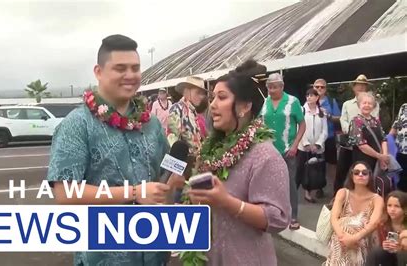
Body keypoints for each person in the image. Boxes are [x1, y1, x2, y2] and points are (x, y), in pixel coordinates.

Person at [47, 34, 173, 266]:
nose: (130, 75)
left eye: (135, 68)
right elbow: (64, 193)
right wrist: (134, 193)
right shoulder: (77, 124)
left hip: (155, 252)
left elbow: (167, 172)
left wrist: (176, 184)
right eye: (120, 68)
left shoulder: (151, 123)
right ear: (98, 71)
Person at [188, 59, 290, 266]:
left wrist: (226, 201)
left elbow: (277, 219)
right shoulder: (211, 150)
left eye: (222, 97)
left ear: (244, 106)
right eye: (212, 97)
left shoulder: (264, 155)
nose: (213, 105)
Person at [259, 73, 306, 230]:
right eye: (269, 87)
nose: (271, 90)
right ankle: (276, 213)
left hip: (287, 151)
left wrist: (295, 145)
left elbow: (302, 125)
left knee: (290, 183)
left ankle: (293, 216)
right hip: (269, 151)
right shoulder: (265, 103)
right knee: (271, 183)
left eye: (274, 87)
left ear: (282, 86)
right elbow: (259, 124)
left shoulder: (293, 102)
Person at [325, 161, 384, 265]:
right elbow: (333, 218)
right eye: (356, 172)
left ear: (370, 176)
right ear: (351, 175)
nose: (360, 175)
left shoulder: (377, 199)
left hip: (361, 242)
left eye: (364, 173)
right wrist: (343, 239)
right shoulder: (343, 193)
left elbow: (374, 223)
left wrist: (353, 239)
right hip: (340, 241)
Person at [335, 74, 380, 194]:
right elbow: (343, 120)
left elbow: (375, 121)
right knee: (342, 172)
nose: (360, 87)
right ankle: (337, 198)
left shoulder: (373, 104)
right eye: (358, 85)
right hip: (349, 144)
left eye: (363, 85)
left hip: (366, 145)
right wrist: (352, 132)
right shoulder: (347, 104)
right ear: (353, 87)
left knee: (362, 173)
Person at [167, 76, 207, 178]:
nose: (201, 96)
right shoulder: (177, 109)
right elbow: (172, 142)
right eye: (198, 92)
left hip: (194, 166)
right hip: (183, 170)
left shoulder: (193, 112)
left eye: (202, 93)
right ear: (187, 92)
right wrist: (176, 175)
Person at [296, 88, 328, 203]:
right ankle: (293, 194)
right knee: (300, 170)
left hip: (318, 148)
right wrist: (306, 144)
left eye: (312, 95)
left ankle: (308, 193)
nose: (309, 97)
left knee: (314, 169)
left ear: (317, 97)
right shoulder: (301, 110)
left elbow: (325, 131)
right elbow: (299, 128)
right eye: (307, 95)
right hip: (303, 147)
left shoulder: (322, 112)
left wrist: (318, 144)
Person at [348, 92, 389, 176]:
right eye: (364, 103)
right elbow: (361, 145)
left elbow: (384, 139)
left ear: (373, 106)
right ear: (359, 105)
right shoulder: (356, 121)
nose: (367, 105)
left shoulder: (376, 121)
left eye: (370, 103)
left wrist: (384, 156)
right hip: (363, 161)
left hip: (378, 161)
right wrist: (380, 156)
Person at [314, 78, 341, 198]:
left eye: (322, 87)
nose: (319, 89)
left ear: (326, 89)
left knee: (332, 164)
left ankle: (335, 190)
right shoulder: (310, 100)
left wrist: (328, 115)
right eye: (317, 87)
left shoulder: (331, 101)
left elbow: (339, 118)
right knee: (317, 164)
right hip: (314, 138)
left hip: (329, 137)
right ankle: (318, 187)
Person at [366, 191, 407, 266]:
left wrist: (401, 246)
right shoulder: (382, 225)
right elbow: (374, 244)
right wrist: (384, 246)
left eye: (397, 206)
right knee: (376, 252)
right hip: (388, 258)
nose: (392, 209)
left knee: (403, 254)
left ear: (405, 209)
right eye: (389, 205)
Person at [390, 103, 407, 192]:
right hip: (401, 152)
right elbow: (395, 127)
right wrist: (387, 140)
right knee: (401, 181)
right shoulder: (404, 107)